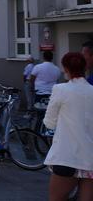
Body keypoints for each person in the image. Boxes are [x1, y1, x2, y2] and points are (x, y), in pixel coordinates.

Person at [43, 52, 93, 201]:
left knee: (56, 198)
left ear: (65, 68)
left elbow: (49, 122)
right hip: (90, 158)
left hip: (67, 156)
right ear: (85, 68)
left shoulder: (60, 89)